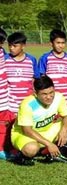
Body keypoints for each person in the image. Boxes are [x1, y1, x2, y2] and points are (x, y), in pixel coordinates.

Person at [10, 76, 67, 166]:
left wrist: (64, 129)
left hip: (46, 131)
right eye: (44, 94)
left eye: (51, 92)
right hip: (24, 134)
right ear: (35, 93)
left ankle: (55, 154)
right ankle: (20, 156)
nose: (49, 97)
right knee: (31, 149)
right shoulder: (27, 104)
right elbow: (27, 131)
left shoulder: (58, 97)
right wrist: (49, 144)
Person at [38, 29, 67, 113]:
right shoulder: (45, 58)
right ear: (51, 43)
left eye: (63, 43)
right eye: (58, 43)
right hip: (51, 95)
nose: (60, 45)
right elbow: (42, 77)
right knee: (51, 116)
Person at [4, 32, 39, 115]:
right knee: (10, 126)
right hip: (10, 104)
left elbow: (35, 78)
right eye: (9, 45)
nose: (11, 48)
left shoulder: (31, 60)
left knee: (31, 124)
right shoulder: (4, 60)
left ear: (23, 46)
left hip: (29, 101)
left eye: (15, 46)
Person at [0, 28, 11, 159]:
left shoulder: (2, 53)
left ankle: (2, 149)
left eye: (2, 42)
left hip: (3, 97)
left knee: (3, 123)